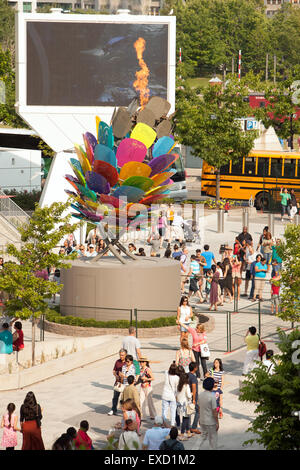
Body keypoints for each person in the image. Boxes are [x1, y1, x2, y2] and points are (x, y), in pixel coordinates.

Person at [198, 377, 219, 450]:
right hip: (211, 422)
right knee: (213, 440)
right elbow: (214, 412)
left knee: (202, 437)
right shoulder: (212, 397)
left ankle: (195, 448)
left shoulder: (200, 395)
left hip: (203, 420)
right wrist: (217, 422)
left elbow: (199, 408)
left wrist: (199, 418)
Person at [108, 349, 127, 416]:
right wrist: (116, 376)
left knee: (125, 398)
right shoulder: (117, 362)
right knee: (115, 397)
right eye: (120, 355)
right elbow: (114, 371)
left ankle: (126, 410)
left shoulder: (128, 362)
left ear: (126, 355)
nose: (121, 356)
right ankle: (113, 409)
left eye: (122, 355)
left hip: (125, 383)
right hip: (118, 382)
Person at [176, 372, 194, 440]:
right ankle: (182, 433)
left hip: (179, 404)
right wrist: (192, 394)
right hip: (185, 404)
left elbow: (176, 395)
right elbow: (189, 396)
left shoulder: (179, 385)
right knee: (185, 419)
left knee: (184, 418)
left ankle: (188, 432)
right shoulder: (186, 386)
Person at [138, 357, 156, 421]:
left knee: (150, 402)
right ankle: (143, 416)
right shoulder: (140, 369)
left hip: (148, 387)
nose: (141, 363)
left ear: (145, 362)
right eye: (140, 362)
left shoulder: (148, 369)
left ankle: (153, 415)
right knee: (141, 401)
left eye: (142, 362)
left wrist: (145, 379)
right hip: (142, 387)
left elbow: (153, 378)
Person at [188, 362, 201, 434]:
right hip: (193, 397)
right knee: (198, 410)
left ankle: (188, 426)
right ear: (195, 368)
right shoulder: (193, 377)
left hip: (187, 396)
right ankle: (193, 427)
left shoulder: (187, 375)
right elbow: (194, 388)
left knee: (188, 411)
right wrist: (194, 399)